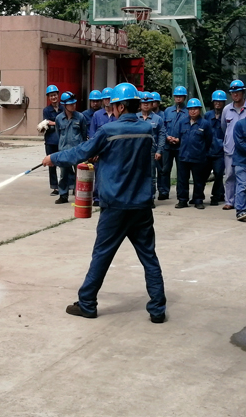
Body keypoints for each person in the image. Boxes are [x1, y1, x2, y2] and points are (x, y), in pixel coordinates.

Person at [43, 82, 167, 324]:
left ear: (120, 106)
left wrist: (53, 158)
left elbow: (80, 152)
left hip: (116, 206)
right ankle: (157, 309)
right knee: (149, 257)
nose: (112, 109)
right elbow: (128, 157)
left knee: (101, 255)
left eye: (114, 105)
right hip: (141, 205)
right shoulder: (146, 129)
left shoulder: (109, 130)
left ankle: (87, 304)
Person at [176, 98, 213, 209]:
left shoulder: (205, 124)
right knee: (182, 180)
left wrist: (202, 152)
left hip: (198, 157)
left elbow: (208, 140)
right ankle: (182, 200)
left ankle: (198, 200)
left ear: (199, 110)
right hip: (183, 156)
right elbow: (179, 137)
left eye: (195, 109)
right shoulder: (182, 122)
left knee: (199, 181)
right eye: (190, 109)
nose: (193, 111)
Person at [53, 92, 87, 204]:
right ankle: (63, 195)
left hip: (77, 151)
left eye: (74, 103)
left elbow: (84, 134)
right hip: (64, 151)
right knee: (64, 174)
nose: (73, 106)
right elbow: (58, 134)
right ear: (64, 105)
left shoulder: (80, 117)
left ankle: (79, 196)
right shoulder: (59, 118)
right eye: (71, 104)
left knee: (80, 175)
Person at [222, 80, 246, 210]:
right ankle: (229, 201)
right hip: (230, 149)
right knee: (229, 176)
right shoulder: (227, 109)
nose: (235, 95)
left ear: (243, 93)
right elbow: (224, 127)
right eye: (233, 93)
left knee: (245, 177)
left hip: (245, 150)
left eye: (238, 92)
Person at [159, 86, 189, 200]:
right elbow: (163, 127)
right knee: (165, 169)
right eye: (176, 96)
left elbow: (188, 129)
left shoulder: (188, 112)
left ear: (184, 97)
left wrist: (179, 139)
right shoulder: (168, 111)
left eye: (180, 96)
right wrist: (167, 137)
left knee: (182, 171)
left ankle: (181, 193)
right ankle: (164, 192)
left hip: (181, 146)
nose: (178, 98)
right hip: (168, 146)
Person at [138, 91, 166, 200]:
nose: (146, 105)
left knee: (151, 176)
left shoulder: (158, 119)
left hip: (151, 151)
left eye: (148, 103)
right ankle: (138, 197)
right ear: (140, 104)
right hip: (137, 151)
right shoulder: (135, 118)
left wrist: (159, 151)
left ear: (152, 104)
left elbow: (162, 135)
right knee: (137, 175)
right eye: (143, 103)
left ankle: (150, 197)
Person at [205, 91, 227, 206]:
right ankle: (198, 195)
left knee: (218, 174)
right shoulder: (207, 115)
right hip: (208, 150)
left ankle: (216, 196)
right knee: (203, 174)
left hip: (221, 151)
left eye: (220, 101)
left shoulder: (226, 115)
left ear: (224, 103)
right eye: (216, 101)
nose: (218, 103)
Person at [41, 85, 63, 195]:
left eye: (55, 95)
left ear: (58, 95)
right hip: (50, 141)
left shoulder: (63, 108)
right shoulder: (46, 110)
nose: (53, 97)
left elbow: (64, 122)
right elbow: (46, 123)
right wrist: (57, 124)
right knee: (51, 164)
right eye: (51, 96)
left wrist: (53, 123)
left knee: (65, 163)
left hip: (62, 140)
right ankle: (55, 187)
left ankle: (68, 185)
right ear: (48, 97)